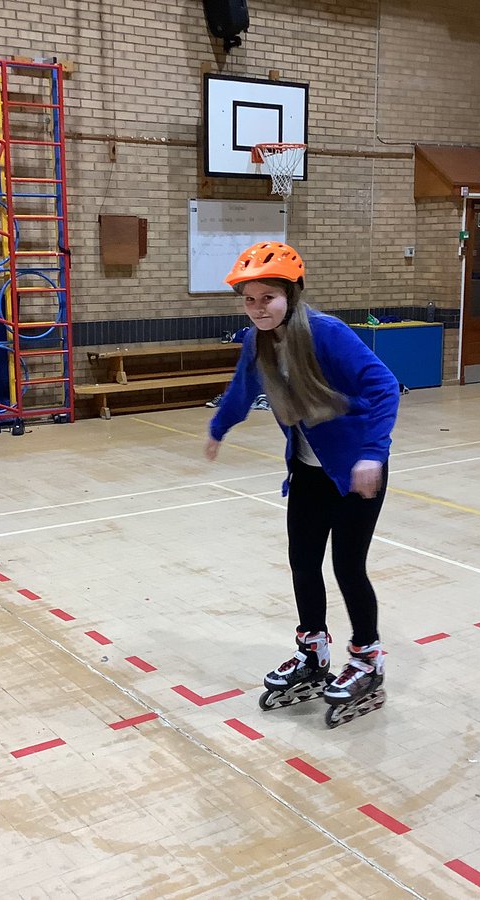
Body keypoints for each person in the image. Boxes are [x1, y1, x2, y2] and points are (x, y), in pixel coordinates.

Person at [205, 242, 400, 727]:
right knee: (302, 563)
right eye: (250, 300)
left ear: (291, 294)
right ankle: (313, 651)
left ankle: (366, 659)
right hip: (309, 471)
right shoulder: (257, 341)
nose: (258, 308)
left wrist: (372, 454)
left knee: (348, 567)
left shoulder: (326, 334)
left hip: (355, 470)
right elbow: (242, 391)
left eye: (268, 297)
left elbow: (383, 387)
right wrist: (217, 429)